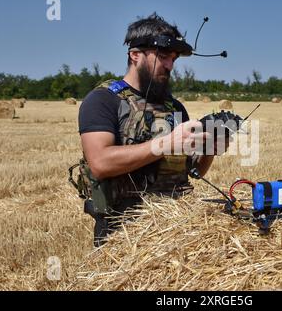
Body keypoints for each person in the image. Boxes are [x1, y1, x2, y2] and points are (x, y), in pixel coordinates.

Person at [76, 13, 227, 247]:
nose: (169, 65)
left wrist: (210, 150)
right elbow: (101, 162)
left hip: (174, 228)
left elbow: (192, 170)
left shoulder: (173, 107)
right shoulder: (103, 100)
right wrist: (165, 144)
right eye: (163, 56)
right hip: (122, 233)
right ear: (135, 55)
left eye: (174, 59)